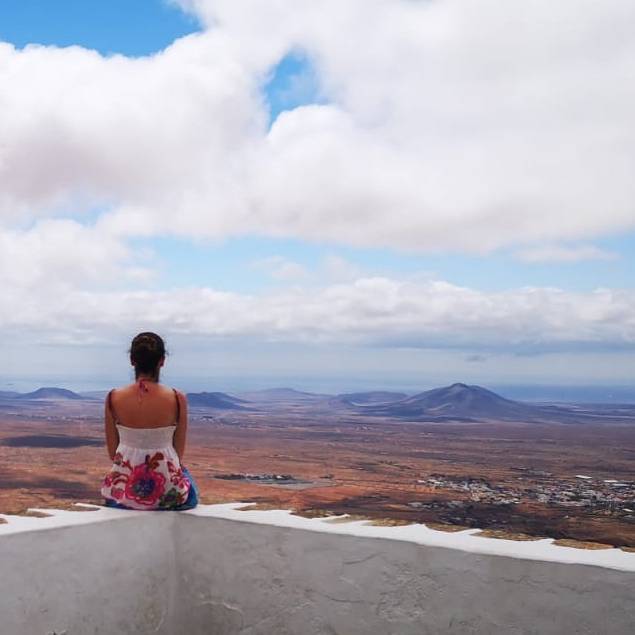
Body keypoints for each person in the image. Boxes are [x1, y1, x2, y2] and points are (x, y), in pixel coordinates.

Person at [101, 332, 198, 510]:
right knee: (189, 486)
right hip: (169, 493)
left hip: (123, 494)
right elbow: (178, 454)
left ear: (132, 360)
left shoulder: (113, 397)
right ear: (162, 361)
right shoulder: (177, 398)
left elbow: (112, 454)